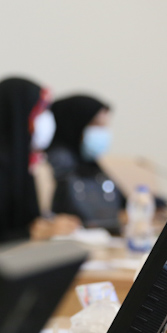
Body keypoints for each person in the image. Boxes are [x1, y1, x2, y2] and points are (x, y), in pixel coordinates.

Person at [0, 77, 80, 244]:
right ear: (18, 113)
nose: (46, 119)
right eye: (40, 110)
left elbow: (26, 223)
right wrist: (37, 233)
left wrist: (48, 225)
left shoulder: (21, 164)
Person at [47, 94, 124, 233]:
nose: (102, 132)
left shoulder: (87, 161)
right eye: (96, 125)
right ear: (76, 124)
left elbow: (122, 200)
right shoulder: (59, 159)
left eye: (104, 126)